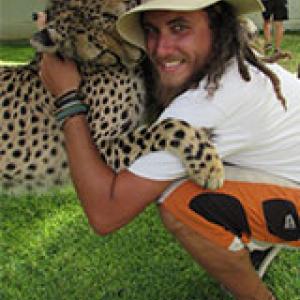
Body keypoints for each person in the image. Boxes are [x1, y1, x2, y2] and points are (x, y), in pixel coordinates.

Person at [38, 0, 300, 299]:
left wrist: (68, 99)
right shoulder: (234, 59)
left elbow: (105, 213)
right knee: (192, 161)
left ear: (216, 26)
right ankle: (256, 241)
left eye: (179, 27)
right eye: (151, 30)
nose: (161, 49)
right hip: (286, 170)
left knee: (179, 203)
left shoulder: (208, 102)